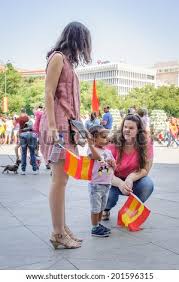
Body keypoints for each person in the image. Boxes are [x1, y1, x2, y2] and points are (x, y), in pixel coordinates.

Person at [39, 21, 92, 249]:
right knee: (59, 180)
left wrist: (80, 130)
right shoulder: (58, 57)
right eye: (84, 43)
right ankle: (58, 233)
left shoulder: (68, 62)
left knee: (63, 179)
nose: (85, 48)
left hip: (67, 127)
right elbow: (49, 93)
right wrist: (51, 126)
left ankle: (62, 227)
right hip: (57, 126)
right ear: (77, 38)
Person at [102, 114, 154, 221]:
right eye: (125, 127)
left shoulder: (146, 144)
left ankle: (129, 211)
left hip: (134, 179)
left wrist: (130, 178)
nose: (127, 130)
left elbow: (145, 169)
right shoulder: (113, 143)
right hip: (112, 179)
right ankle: (105, 209)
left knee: (147, 184)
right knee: (109, 197)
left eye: (131, 128)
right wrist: (120, 183)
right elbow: (104, 170)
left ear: (138, 130)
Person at [87, 125, 116, 237]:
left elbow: (114, 165)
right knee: (95, 208)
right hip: (96, 185)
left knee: (101, 208)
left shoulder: (108, 151)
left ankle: (98, 224)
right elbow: (96, 156)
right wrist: (90, 143)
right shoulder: (92, 149)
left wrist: (113, 163)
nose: (106, 139)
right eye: (103, 137)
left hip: (106, 184)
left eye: (107, 137)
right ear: (94, 138)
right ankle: (94, 228)